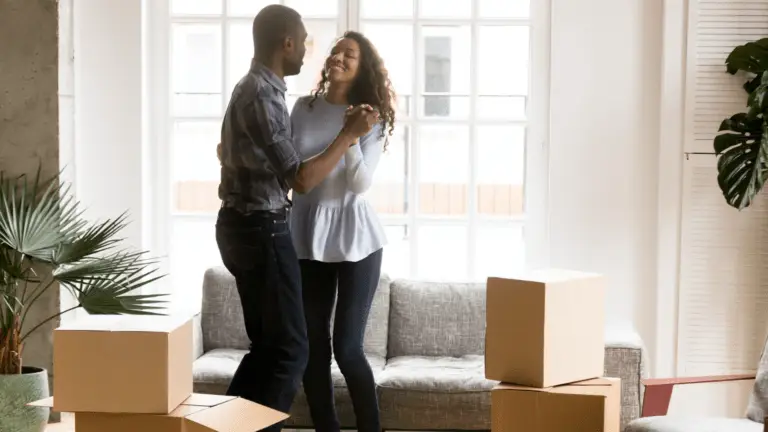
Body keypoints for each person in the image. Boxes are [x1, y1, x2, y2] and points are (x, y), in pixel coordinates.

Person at [215, 5, 379, 431]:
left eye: (349, 53)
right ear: (286, 43)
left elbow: (232, 152)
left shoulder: (261, 92)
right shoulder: (272, 97)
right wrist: (347, 136)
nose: (312, 50)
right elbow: (301, 177)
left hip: (265, 226)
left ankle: (224, 426)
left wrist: (354, 137)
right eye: (306, 41)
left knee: (272, 347)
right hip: (265, 228)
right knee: (293, 349)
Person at [289, 31, 396, 432]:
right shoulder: (303, 107)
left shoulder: (369, 115)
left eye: (349, 54)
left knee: (348, 348)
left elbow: (360, 184)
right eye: (336, 50)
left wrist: (351, 132)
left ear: (361, 67)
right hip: (306, 234)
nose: (339, 57)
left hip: (357, 237)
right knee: (313, 347)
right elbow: (292, 168)